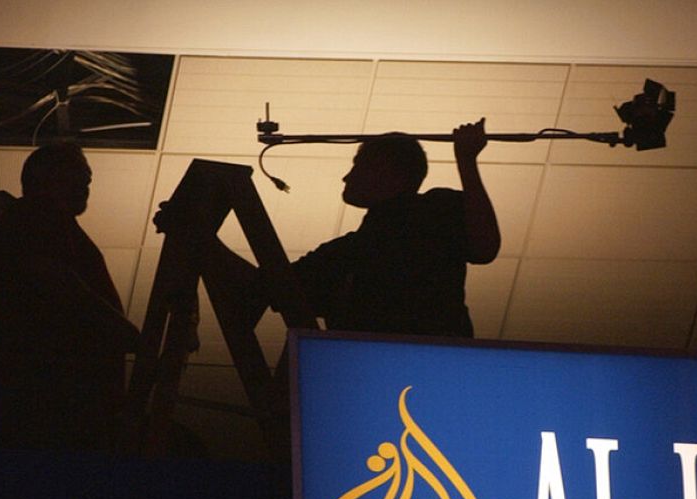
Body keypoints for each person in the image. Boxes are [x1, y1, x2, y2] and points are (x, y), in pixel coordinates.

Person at [170, 118, 500, 340]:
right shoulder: (348, 253)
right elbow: (265, 289)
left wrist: (198, 237)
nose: (346, 177)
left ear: (388, 172)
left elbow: (484, 248)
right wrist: (200, 239)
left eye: (358, 165)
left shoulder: (432, 211)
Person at [0, 142, 140, 451]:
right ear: (48, 176)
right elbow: (54, 278)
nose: (87, 184)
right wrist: (122, 330)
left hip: (60, 401)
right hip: (57, 401)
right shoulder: (36, 216)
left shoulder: (42, 222)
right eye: (80, 174)